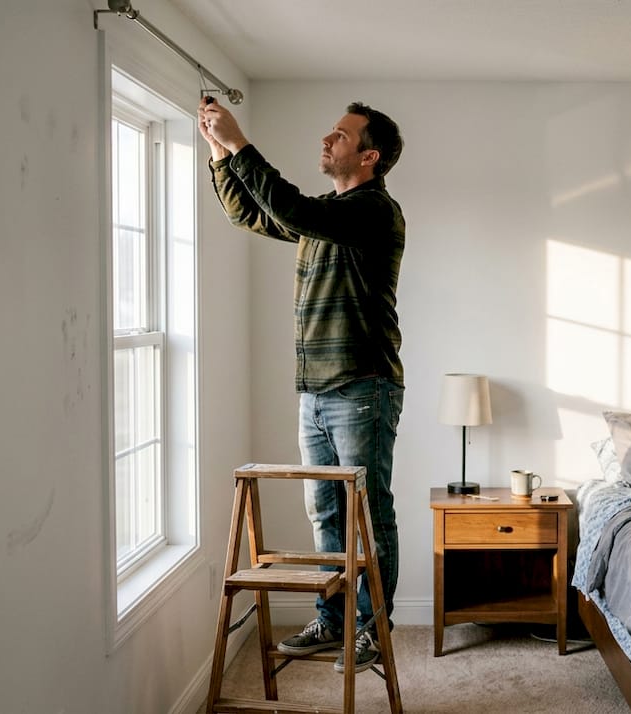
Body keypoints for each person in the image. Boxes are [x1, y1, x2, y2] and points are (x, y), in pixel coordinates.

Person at [199, 98, 405, 673]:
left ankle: (371, 628)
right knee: (326, 515)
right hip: (313, 391)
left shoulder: (374, 212)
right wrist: (221, 157)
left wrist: (241, 142)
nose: (326, 140)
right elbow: (258, 214)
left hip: (364, 387)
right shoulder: (322, 215)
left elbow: (288, 207)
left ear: (369, 155)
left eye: (339, 136)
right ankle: (333, 618)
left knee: (367, 512)